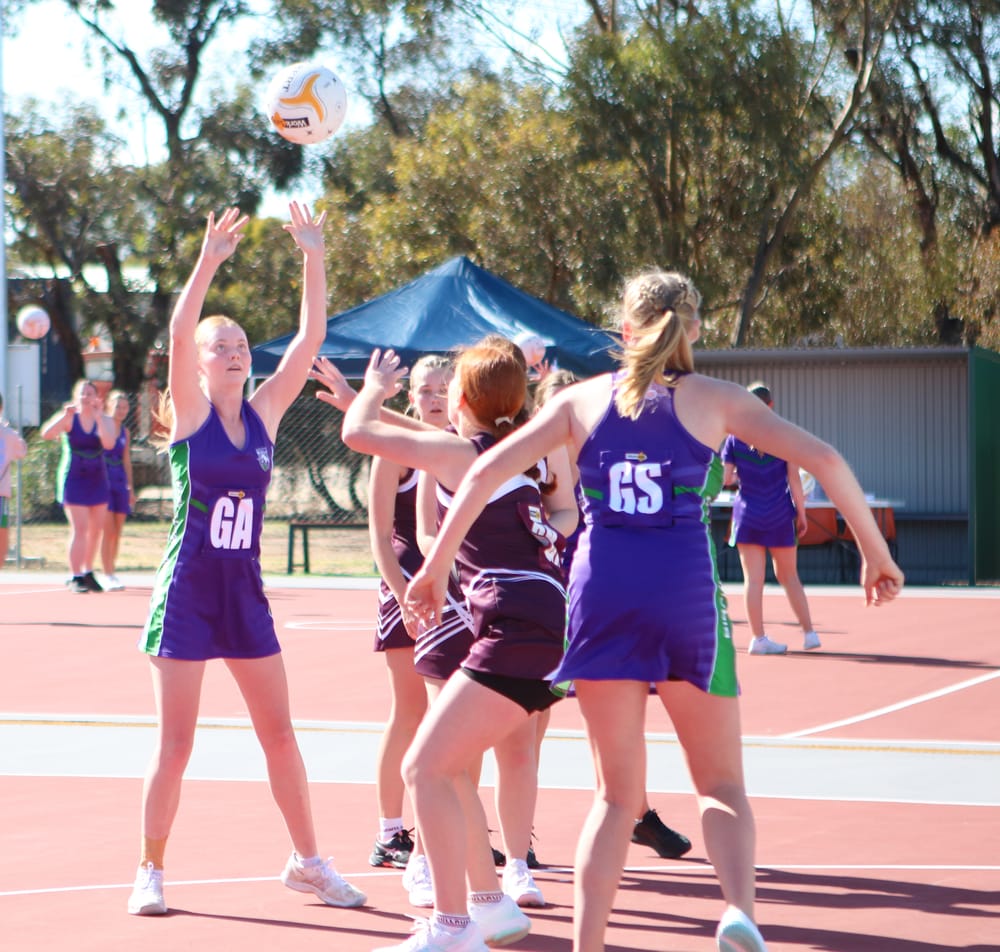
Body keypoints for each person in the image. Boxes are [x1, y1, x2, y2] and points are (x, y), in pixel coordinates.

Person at [405, 269, 904, 952]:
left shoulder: (579, 400)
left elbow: (485, 471)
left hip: (602, 596)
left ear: (624, 330)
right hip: (685, 599)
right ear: (693, 328)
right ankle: (738, 914)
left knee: (615, 798)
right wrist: (875, 554)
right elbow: (824, 457)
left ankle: (589, 945)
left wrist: (433, 570)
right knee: (721, 785)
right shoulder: (717, 400)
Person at [127, 203, 366, 917]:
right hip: (189, 592)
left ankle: (308, 861)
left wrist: (313, 256)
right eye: (221, 344)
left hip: (245, 594)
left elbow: (310, 338)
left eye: (240, 344)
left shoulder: (262, 413)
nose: (235, 350)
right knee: (176, 743)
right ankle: (150, 869)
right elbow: (177, 327)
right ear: (198, 366)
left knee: (281, 734)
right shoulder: (194, 418)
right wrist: (208, 261)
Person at [317, 339, 578, 952]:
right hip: (543, 624)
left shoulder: (460, 452)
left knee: (423, 767)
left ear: (459, 399)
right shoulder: (526, 448)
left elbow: (359, 433)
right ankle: (490, 905)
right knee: (448, 762)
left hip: (516, 628)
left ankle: (451, 926)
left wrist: (374, 392)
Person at [533, 369, 693, 863]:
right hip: (556, 594)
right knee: (528, 719)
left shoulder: (608, 453)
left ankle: (634, 812)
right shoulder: (538, 459)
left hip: (609, 594)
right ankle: (519, 839)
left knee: (614, 718)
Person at [367, 354, 456, 877]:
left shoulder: (468, 449)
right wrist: (401, 592)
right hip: (407, 588)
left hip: (455, 594)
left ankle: (446, 826)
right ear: (410, 398)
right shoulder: (395, 453)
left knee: (452, 717)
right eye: (425, 390)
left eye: (445, 387)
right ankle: (390, 832)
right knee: (411, 711)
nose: (436, 397)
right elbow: (380, 536)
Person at [722, 382, 820, 654]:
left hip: (747, 515)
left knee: (753, 580)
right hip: (778, 513)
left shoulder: (733, 437)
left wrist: (745, 475)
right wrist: (801, 514)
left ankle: (759, 638)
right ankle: (809, 632)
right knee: (789, 576)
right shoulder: (784, 436)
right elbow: (794, 480)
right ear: (771, 406)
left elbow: (726, 478)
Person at [40, 378, 116, 592]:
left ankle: (88, 571)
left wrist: (100, 418)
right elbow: (46, 433)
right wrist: (64, 416)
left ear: (96, 397)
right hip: (74, 477)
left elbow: (109, 443)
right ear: (75, 396)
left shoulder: (105, 420)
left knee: (95, 530)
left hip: (97, 478)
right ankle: (75, 576)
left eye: (90, 393)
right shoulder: (69, 419)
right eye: (82, 393)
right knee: (80, 528)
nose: (86, 397)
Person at [99, 389, 135, 591]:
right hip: (103, 479)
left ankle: (112, 570)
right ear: (109, 405)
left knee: (117, 531)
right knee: (108, 530)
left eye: (124, 407)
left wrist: (131, 487)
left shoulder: (125, 433)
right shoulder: (103, 426)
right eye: (117, 406)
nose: (121, 410)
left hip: (119, 481)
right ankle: (107, 573)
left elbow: (126, 460)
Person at [0, 392, 29, 569]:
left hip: (0, 495)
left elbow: (21, 450)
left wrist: (8, 430)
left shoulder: (7, 435)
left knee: (2, 536)